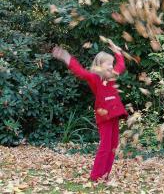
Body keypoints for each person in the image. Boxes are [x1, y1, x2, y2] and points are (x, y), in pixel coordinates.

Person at [52, 42, 128, 182]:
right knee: (105, 146)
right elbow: (80, 71)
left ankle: (104, 175)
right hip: (104, 116)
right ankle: (95, 176)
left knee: (113, 146)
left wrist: (117, 52)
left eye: (112, 64)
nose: (111, 67)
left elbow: (121, 65)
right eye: (108, 64)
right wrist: (66, 57)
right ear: (99, 65)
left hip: (115, 115)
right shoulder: (95, 79)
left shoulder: (112, 76)